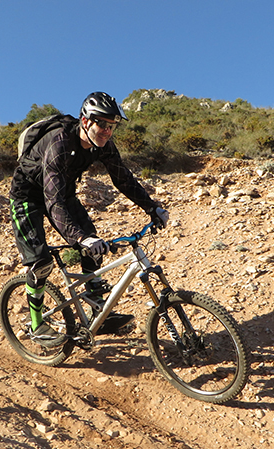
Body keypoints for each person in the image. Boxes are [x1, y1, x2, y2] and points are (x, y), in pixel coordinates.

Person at [9, 91, 169, 347]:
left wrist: (152, 208)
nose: (107, 131)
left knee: (94, 247)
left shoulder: (102, 146)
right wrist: (80, 238)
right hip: (28, 197)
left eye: (112, 126)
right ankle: (37, 324)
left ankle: (98, 311)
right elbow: (53, 203)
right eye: (102, 124)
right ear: (86, 121)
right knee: (41, 263)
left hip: (62, 193)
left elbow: (123, 179)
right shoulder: (59, 143)